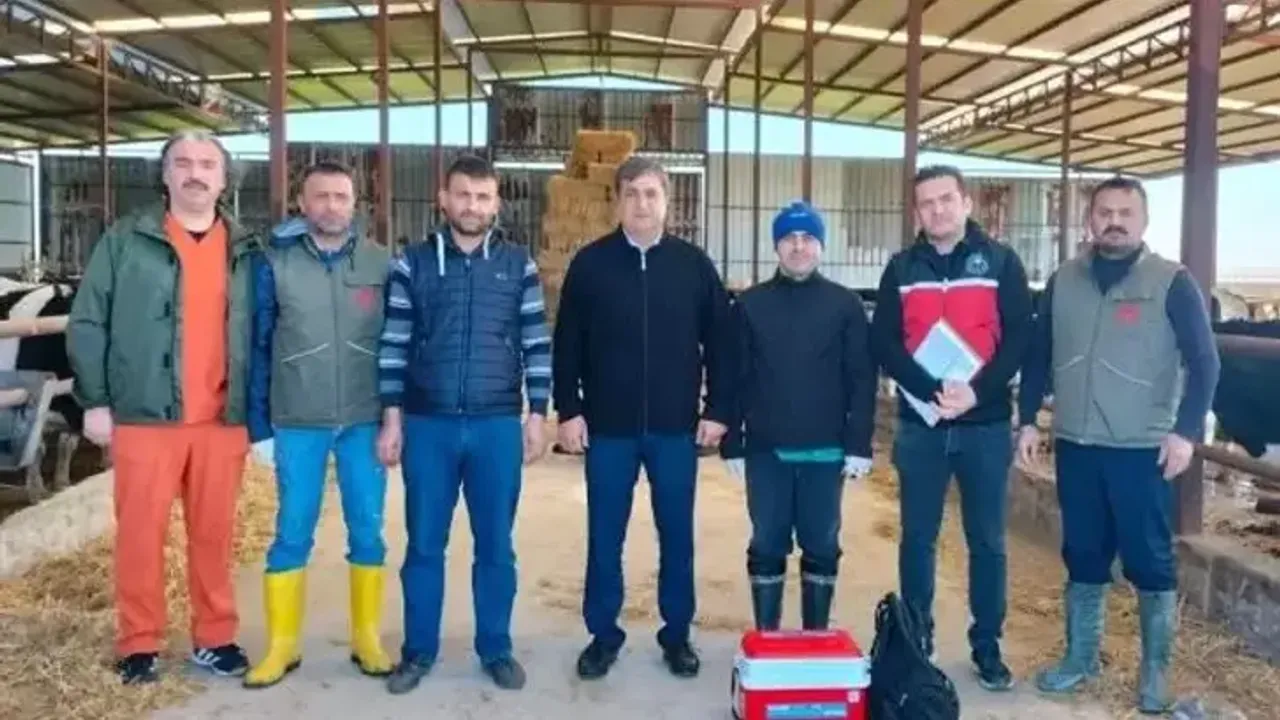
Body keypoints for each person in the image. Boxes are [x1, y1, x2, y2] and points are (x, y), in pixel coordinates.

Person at [1018, 176, 1220, 714]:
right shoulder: (1063, 280)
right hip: (1076, 443)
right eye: (1104, 212)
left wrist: (1185, 431)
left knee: (1149, 558)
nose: (1114, 221)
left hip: (1141, 449)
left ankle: (1154, 675)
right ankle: (1081, 658)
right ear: (1090, 219)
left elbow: (1205, 362)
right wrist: (1028, 420)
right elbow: (1038, 354)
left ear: (1144, 220)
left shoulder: (1172, 282)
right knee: (1083, 552)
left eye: (1125, 212)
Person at [67, 131, 260, 685]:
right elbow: (88, 320)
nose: (196, 173)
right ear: (166, 174)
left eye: (207, 164)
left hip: (222, 418)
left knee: (215, 535)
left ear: (223, 179)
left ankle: (214, 637)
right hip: (144, 415)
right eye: (184, 163)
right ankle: (139, 642)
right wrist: (95, 400)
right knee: (140, 534)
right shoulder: (125, 240)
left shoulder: (247, 249)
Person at [552, 156, 734, 681]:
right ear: (617, 201)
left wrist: (718, 409)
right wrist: (569, 410)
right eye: (631, 193)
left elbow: (722, 341)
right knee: (604, 536)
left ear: (667, 201)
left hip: (676, 429)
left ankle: (677, 634)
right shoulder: (590, 265)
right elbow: (567, 343)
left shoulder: (693, 266)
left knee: (676, 535)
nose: (641, 203)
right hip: (608, 428)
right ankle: (603, 635)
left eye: (652, 193)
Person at [377, 154, 552, 693]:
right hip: (428, 423)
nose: (472, 206)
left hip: (496, 423)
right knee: (424, 545)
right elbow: (394, 344)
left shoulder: (518, 265)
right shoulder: (412, 264)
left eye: (482, 197)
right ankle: (418, 651)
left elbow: (536, 343)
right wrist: (392, 419)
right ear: (444, 200)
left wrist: (537, 413)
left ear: (495, 204)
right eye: (463, 195)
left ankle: (495, 647)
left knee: (496, 544)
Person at [870, 164, 1032, 691]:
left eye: (946, 199)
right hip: (922, 424)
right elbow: (885, 342)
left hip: (985, 425)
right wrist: (931, 389)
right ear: (916, 212)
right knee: (918, 537)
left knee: (986, 539)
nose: (937, 210)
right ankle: (918, 641)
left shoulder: (1001, 263)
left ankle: (987, 645)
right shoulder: (901, 268)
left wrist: (976, 391)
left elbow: (1018, 339)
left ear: (966, 203)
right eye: (926, 203)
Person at [241, 161, 393, 688]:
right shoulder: (273, 263)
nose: (331, 206)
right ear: (302, 204)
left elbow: (399, 342)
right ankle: (281, 646)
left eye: (341, 196)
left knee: (368, 529)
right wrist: (258, 426)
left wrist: (395, 416)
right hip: (297, 419)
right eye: (321, 196)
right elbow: (258, 345)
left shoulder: (380, 262)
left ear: (355, 204)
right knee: (291, 531)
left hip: (364, 419)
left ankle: (367, 638)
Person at [721, 201, 877, 632]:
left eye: (808, 238)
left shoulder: (845, 305)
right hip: (766, 450)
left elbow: (861, 377)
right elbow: (735, 375)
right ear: (776, 246)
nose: (798, 246)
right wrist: (733, 441)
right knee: (767, 542)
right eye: (789, 238)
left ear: (820, 246)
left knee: (821, 542)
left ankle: (815, 636)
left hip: (825, 451)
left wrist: (859, 442)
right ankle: (768, 637)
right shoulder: (750, 305)